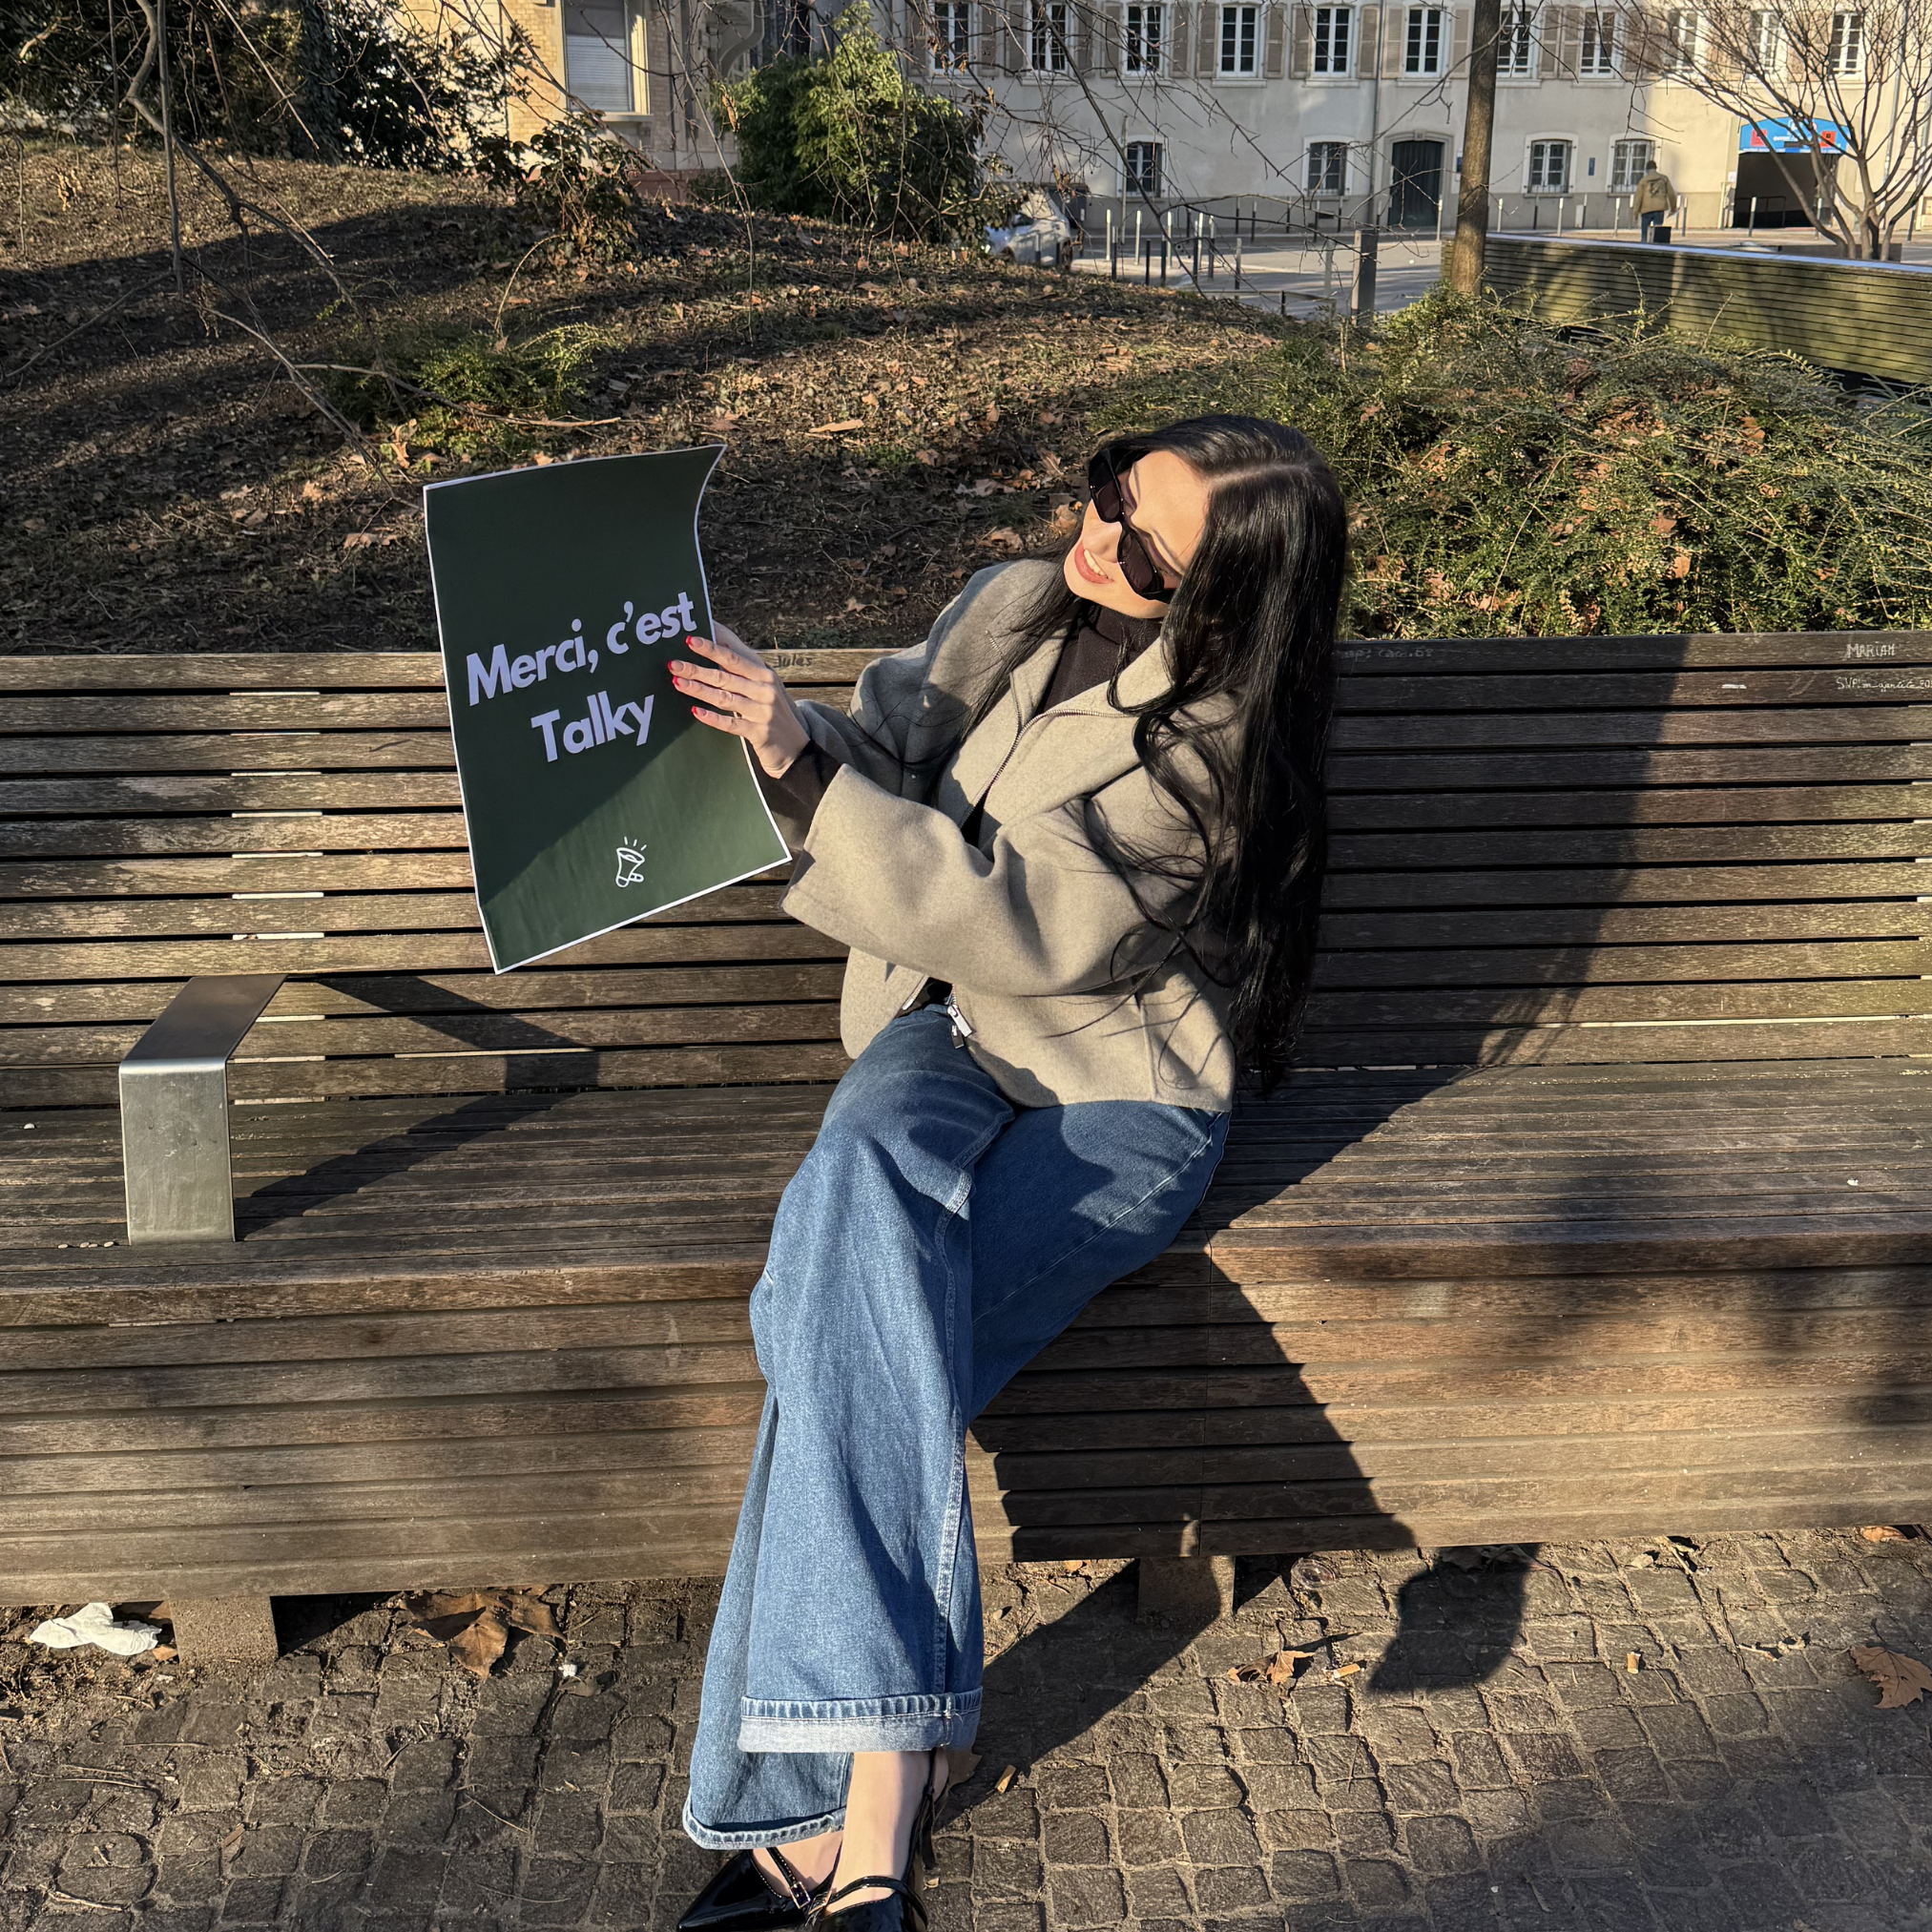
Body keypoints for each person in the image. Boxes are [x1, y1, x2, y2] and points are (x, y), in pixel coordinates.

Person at [662, 415, 1346, 1932]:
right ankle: (881, 1799)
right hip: (940, 1038)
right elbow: (884, 757)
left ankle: (847, 1821)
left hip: (1114, 1092)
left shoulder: (1214, 743)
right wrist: (782, 734)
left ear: (1230, 593)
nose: (1097, 540)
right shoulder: (1005, 607)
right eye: (1109, 497)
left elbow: (1022, 929)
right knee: (853, 1216)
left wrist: (801, 769)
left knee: (832, 1337)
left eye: (1147, 547)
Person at [1633, 162, 1677, 243]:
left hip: (1646, 209)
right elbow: (1671, 194)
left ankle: (1644, 246)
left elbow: (1638, 198)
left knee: (1644, 234)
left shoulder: (1643, 181)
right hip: (1659, 208)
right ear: (1656, 168)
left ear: (1646, 169)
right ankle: (1656, 247)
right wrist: (1673, 207)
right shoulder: (1664, 179)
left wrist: (1635, 213)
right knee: (1657, 233)